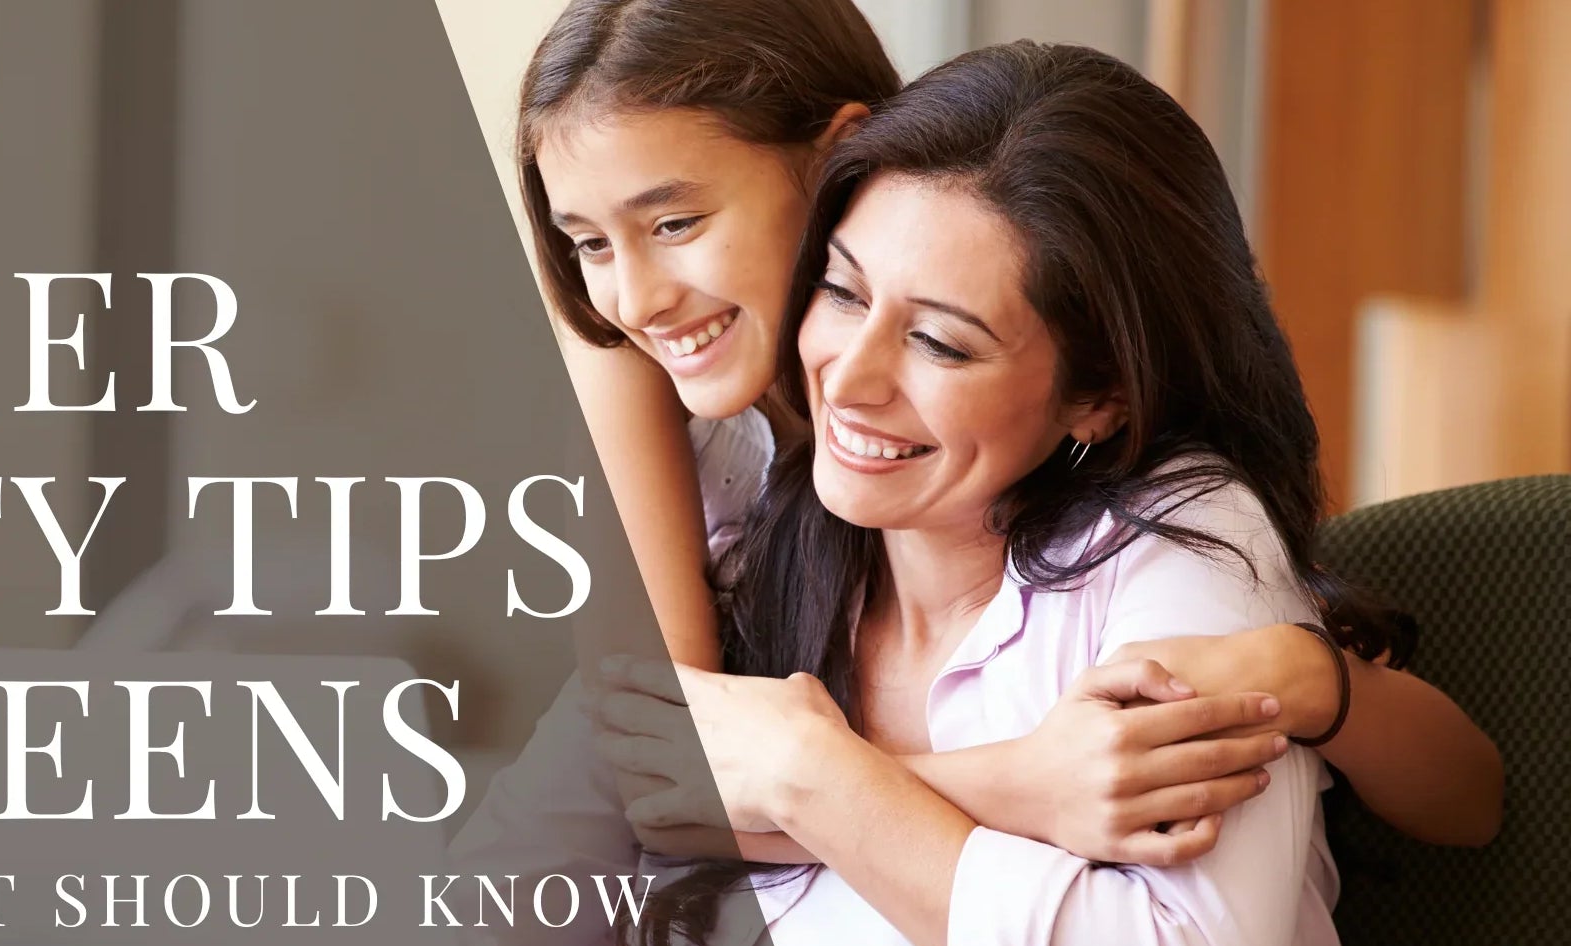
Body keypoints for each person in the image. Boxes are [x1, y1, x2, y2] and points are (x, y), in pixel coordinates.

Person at [497, 38, 1427, 946]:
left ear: (1099, 396)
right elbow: (562, 861)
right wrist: (999, 779)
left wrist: (819, 777)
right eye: (839, 294)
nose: (847, 378)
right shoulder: (768, 539)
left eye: (940, 342)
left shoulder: (1174, 556)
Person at [516, 0, 1501, 857]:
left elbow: (1469, 798)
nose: (633, 295)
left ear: (832, 153)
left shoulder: (1087, 463)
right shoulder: (633, 365)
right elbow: (659, 784)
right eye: (588, 243)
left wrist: (1309, 675)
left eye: (674, 224)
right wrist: (1020, 782)